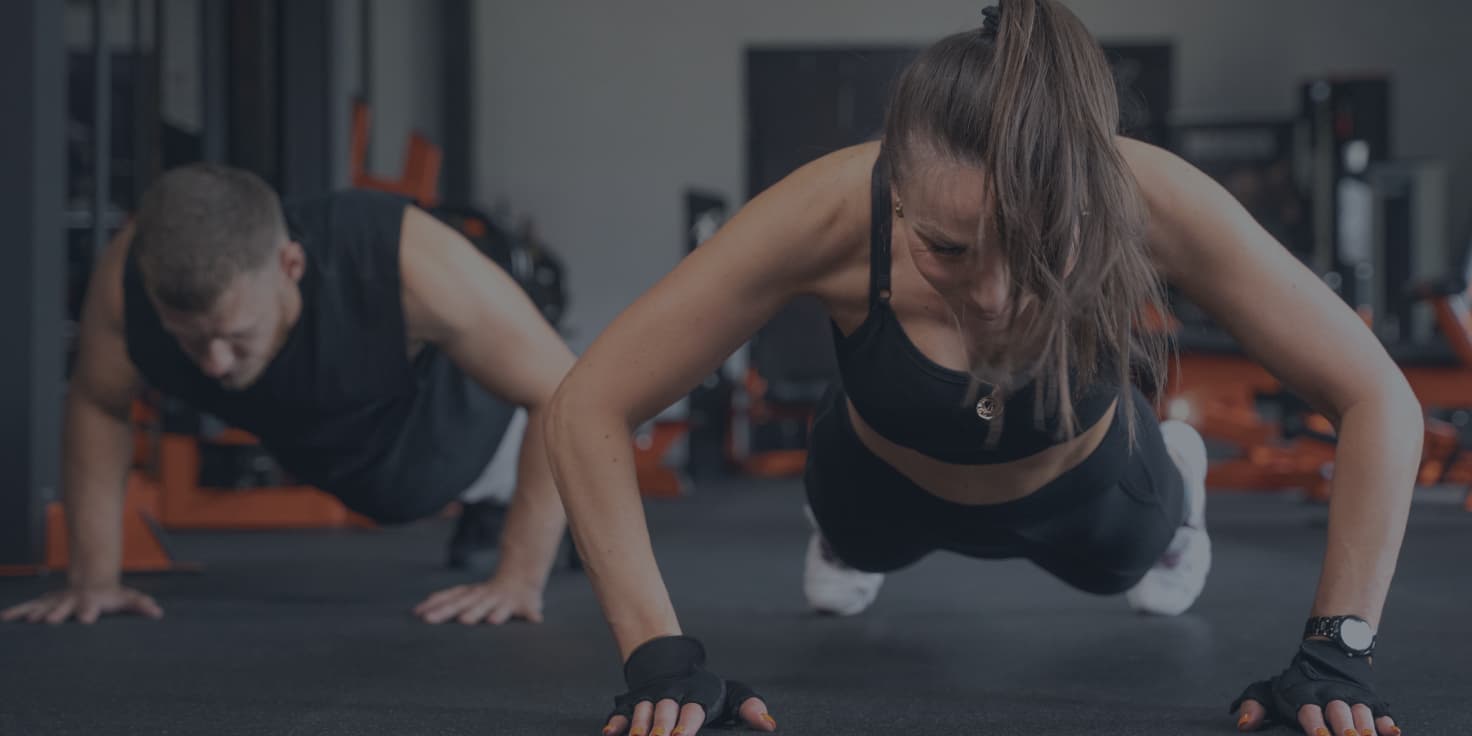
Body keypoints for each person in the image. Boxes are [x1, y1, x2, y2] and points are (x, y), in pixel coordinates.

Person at [544, 3, 1418, 735]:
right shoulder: (824, 212)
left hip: (1091, 499)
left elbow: (1377, 394)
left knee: (1128, 569)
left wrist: (1336, 651)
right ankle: (844, 532)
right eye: (945, 248)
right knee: (854, 536)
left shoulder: (1149, 196)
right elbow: (589, 404)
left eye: (1039, 251)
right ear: (895, 196)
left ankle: (1177, 482)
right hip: (876, 485)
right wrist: (657, 656)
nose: (995, 296)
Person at [2, 164, 576, 628]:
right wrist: (93, 580)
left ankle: (537, 504)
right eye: (191, 341)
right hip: (341, 444)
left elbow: (560, 389)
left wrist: (518, 579)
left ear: (290, 265)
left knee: (417, 485)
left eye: (235, 336)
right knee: (383, 494)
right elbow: (100, 403)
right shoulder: (130, 277)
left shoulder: (405, 260)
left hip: (452, 422)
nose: (215, 364)